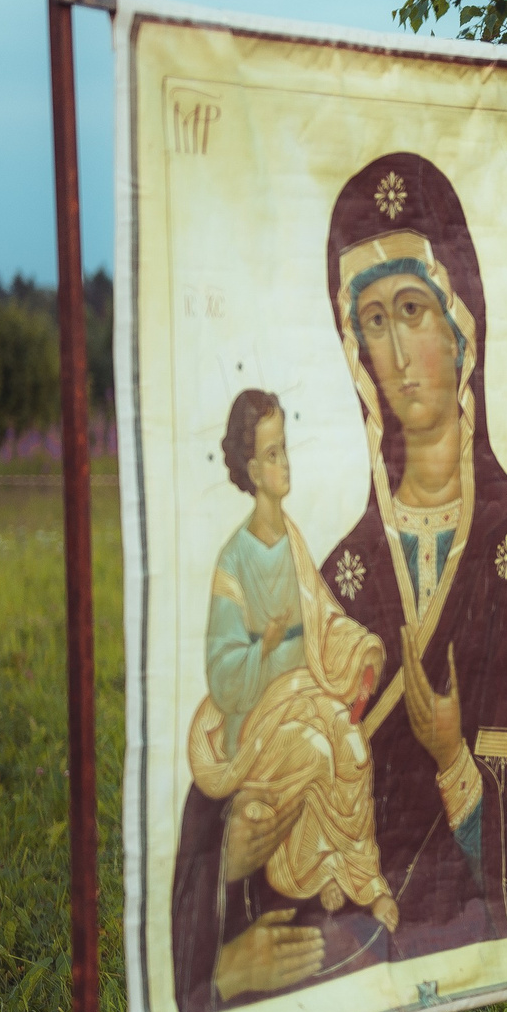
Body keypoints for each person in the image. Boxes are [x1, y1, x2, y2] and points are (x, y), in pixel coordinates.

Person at [171, 152, 507, 1012]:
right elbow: (242, 777)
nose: (398, 354)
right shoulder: (343, 571)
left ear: (462, 324)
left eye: (414, 310)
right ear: (354, 350)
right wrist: (223, 963)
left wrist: (452, 758)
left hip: (471, 945)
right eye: (373, 321)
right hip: (349, 933)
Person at [187, 389, 397, 934]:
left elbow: (323, 619)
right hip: (259, 715)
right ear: (252, 469)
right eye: (273, 453)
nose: (285, 463)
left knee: (352, 748)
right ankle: (309, 872)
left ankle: (361, 879)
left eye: (284, 449)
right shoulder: (235, 560)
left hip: (305, 694)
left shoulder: (292, 539)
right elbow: (222, 672)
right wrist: (263, 647)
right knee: (318, 749)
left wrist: (361, 655)